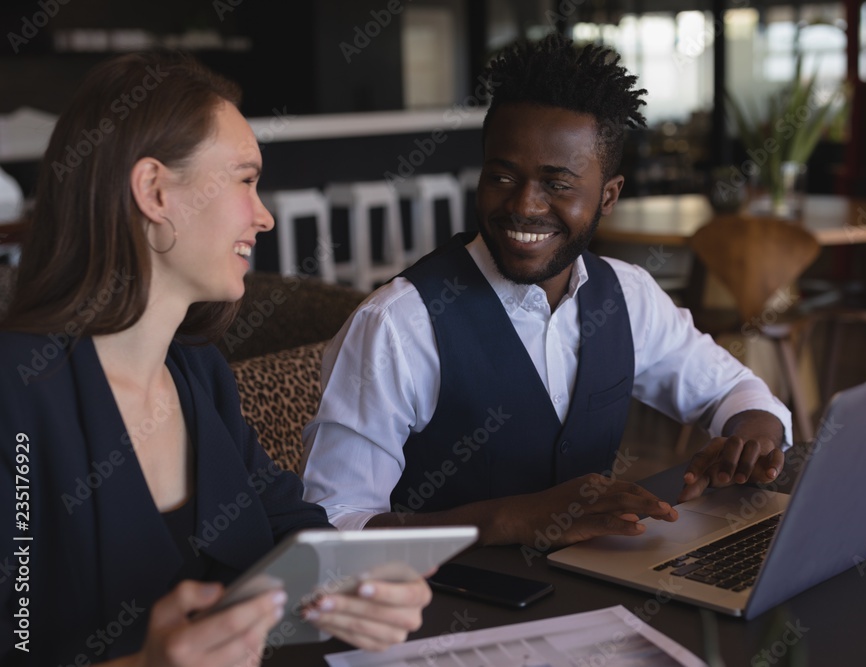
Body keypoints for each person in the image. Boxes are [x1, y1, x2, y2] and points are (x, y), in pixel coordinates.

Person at [0, 52, 429, 666]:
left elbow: (292, 528)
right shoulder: (16, 395)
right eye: (245, 179)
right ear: (154, 191)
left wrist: (355, 588)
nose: (265, 215)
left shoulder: (197, 374)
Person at [301, 33, 792, 548]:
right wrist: (508, 520)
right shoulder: (397, 324)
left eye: (557, 183)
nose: (525, 206)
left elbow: (737, 393)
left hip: (597, 590)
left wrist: (751, 438)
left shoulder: (627, 295)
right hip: (445, 609)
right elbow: (332, 531)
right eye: (502, 176)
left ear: (608, 196)